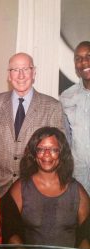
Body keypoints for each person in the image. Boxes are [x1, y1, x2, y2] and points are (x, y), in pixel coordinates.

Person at [2, 127, 90, 249]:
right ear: (34, 154)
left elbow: (87, 236)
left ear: (61, 153)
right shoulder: (20, 189)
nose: (47, 155)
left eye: (53, 149)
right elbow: (10, 234)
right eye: (41, 149)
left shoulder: (77, 190)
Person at [0, 52, 65, 198]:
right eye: (15, 70)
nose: (21, 75)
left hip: (35, 188)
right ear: (9, 75)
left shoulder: (52, 106)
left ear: (34, 73)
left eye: (26, 69)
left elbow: (58, 151)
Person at [60, 41, 90, 195]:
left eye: (88, 56)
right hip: (77, 178)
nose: (84, 62)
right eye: (78, 58)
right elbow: (66, 139)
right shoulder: (66, 97)